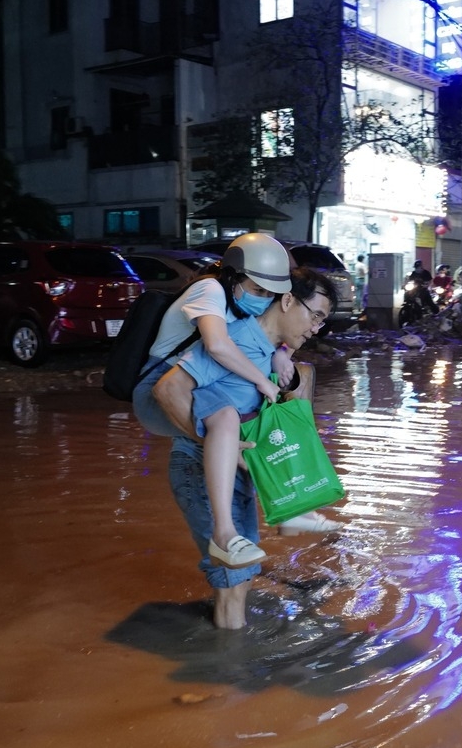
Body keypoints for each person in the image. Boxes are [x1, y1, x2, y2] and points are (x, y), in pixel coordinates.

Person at [132, 234, 336, 572]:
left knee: (267, 425)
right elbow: (216, 346)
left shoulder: (247, 313)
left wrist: (282, 353)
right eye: (260, 290)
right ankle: (225, 534)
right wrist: (260, 379)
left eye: (271, 292)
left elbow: (275, 331)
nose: (266, 298)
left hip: (205, 380)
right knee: (226, 423)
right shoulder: (212, 291)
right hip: (169, 383)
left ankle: (289, 508)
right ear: (238, 276)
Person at [151, 268, 339, 629]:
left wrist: (283, 357)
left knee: (244, 572)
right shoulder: (234, 340)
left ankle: (289, 509)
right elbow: (167, 390)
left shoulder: (271, 350)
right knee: (232, 578)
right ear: (286, 300)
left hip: (235, 468)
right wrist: (214, 447)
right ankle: (230, 668)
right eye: (314, 315)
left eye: (322, 321)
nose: (316, 327)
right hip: (198, 465)